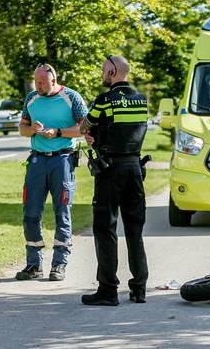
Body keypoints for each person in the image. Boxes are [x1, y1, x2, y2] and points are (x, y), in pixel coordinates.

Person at [80, 55, 149, 306]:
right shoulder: (141, 100)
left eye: (103, 71)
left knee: (105, 228)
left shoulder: (105, 100)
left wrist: (93, 134)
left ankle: (108, 289)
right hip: (135, 169)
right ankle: (139, 287)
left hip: (111, 170)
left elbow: (85, 125)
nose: (102, 75)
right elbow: (126, 128)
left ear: (111, 71)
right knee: (134, 229)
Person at [17, 63, 87, 281]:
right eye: (36, 82)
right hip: (37, 161)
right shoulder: (31, 98)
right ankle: (33, 264)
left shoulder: (72, 97)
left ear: (53, 81)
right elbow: (22, 128)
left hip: (63, 160)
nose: (37, 86)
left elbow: (85, 128)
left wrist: (58, 132)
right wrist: (33, 130)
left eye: (42, 83)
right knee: (30, 214)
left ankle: (59, 264)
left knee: (62, 214)